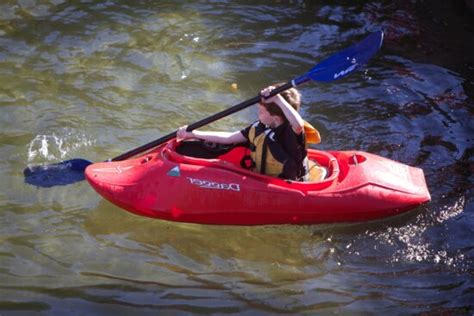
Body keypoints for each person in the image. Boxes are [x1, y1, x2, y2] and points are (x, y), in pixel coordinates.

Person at [177, 84, 314, 181]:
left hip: (289, 185)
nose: (257, 114)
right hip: (261, 179)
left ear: (276, 118)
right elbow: (229, 138)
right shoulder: (260, 127)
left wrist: (277, 98)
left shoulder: (289, 133)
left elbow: (298, 125)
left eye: (261, 112)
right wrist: (194, 134)